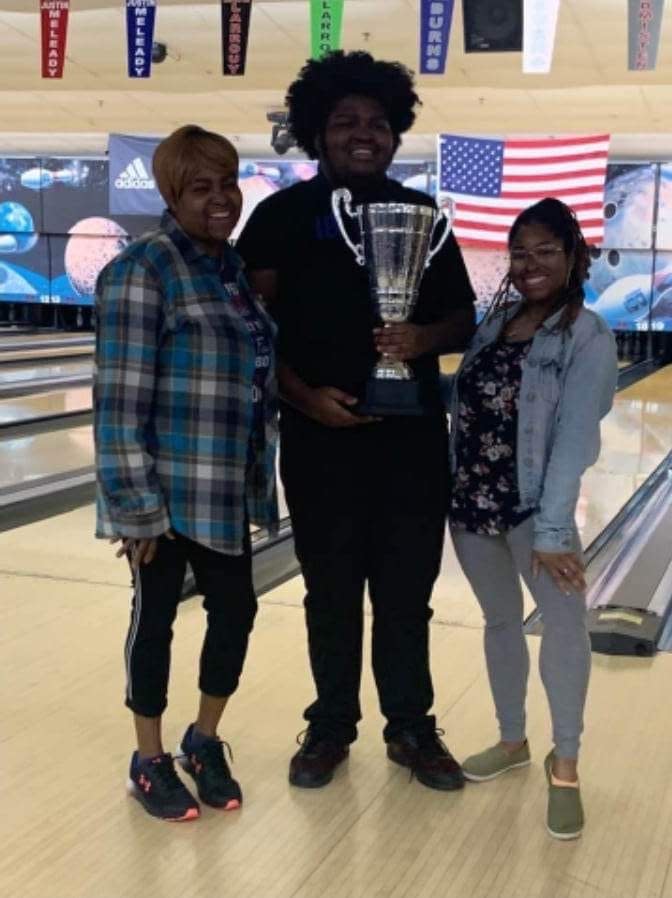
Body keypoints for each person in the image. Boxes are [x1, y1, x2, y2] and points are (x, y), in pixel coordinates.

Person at [236, 51, 476, 791]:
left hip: (410, 444)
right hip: (320, 443)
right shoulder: (281, 219)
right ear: (318, 132)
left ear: (397, 133)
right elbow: (250, 330)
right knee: (330, 592)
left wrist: (423, 339)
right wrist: (304, 397)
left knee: (407, 594)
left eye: (377, 122)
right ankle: (332, 725)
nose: (363, 133)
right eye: (345, 121)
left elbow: (463, 316)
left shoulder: (423, 216)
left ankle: (410, 726)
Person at [94, 125, 278, 822]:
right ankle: (149, 758)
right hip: (165, 496)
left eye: (228, 183)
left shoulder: (229, 270)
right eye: (201, 187)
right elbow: (118, 401)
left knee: (238, 611)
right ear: (172, 194)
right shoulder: (143, 269)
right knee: (157, 619)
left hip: (226, 488)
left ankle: (204, 740)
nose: (221, 199)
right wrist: (135, 508)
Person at [448, 198, 618, 839]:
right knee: (498, 623)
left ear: (574, 256)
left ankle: (565, 764)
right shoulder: (497, 326)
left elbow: (575, 438)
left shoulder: (588, 335)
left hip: (532, 512)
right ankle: (513, 739)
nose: (531, 264)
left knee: (565, 632)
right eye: (521, 252)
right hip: (471, 505)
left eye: (547, 250)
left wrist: (552, 532)